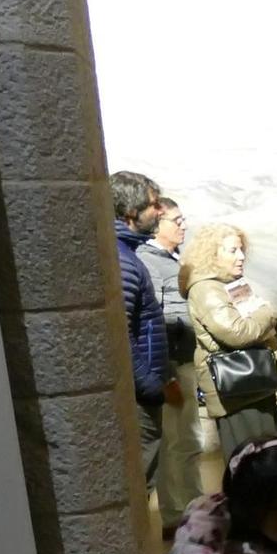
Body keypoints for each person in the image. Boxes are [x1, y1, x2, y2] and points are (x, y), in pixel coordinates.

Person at [182, 223, 277, 457]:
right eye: (233, 250)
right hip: (239, 394)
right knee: (254, 466)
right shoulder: (206, 289)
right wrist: (270, 310)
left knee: (269, 462)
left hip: (253, 388)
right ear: (211, 254)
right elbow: (239, 334)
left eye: (242, 249)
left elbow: (259, 330)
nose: (242, 256)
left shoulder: (229, 285)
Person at [114, 170, 183, 516]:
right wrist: (151, 386)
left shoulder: (127, 255)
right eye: (154, 205)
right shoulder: (124, 261)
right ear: (130, 214)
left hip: (147, 388)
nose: (159, 212)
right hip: (141, 396)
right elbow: (119, 336)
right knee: (138, 486)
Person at [137, 196, 202, 535]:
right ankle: (177, 515)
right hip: (171, 367)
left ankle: (198, 508)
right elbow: (152, 323)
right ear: (157, 222)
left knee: (189, 440)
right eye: (176, 220)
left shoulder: (171, 260)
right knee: (175, 442)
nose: (183, 225)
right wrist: (165, 374)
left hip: (184, 363)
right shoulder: (148, 263)